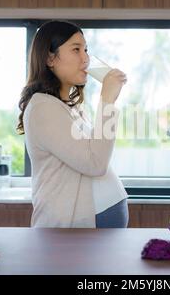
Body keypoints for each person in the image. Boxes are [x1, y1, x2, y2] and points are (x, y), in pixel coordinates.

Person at [17, 20, 129, 228]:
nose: (85, 58)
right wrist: (107, 101)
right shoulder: (43, 108)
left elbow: (96, 151)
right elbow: (95, 164)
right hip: (69, 232)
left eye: (86, 50)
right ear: (50, 58)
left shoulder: (68, 108)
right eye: (76, 49)